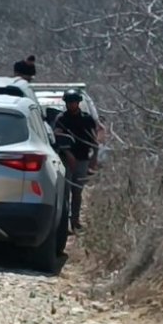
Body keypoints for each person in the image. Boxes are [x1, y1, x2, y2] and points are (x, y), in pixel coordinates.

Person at [52, 88, 98, 232]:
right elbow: (58, 138)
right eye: (69, 102)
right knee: (65, 192)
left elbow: (93, 140)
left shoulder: (87, 119)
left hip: (83, 158)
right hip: (66, 160)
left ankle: (75, 220)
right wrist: (68, 154)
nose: (71, 104)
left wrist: (94, 158)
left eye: (74, 102)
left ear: (78, 103)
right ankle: (63, 223)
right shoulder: (61, 119)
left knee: (77, 192)